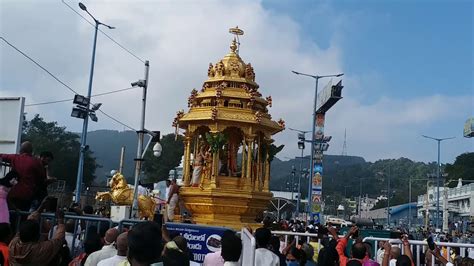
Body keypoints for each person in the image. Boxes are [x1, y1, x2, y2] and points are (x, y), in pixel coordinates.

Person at [9, 197, 66, 265]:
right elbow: (59, 239)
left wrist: (40, 208)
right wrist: (60, 220)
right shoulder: (40, 250)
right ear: (37, 236)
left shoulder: (13, 244)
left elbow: (28, 223)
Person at [0, 141, 45, 211]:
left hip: (13, 193)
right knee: (23, 216)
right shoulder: (36, 162)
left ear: (21, 150)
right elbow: (41, 178)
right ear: (31, 151)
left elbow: (2, 156)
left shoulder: (15, 158)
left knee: (10, 215)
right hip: (27, 195)